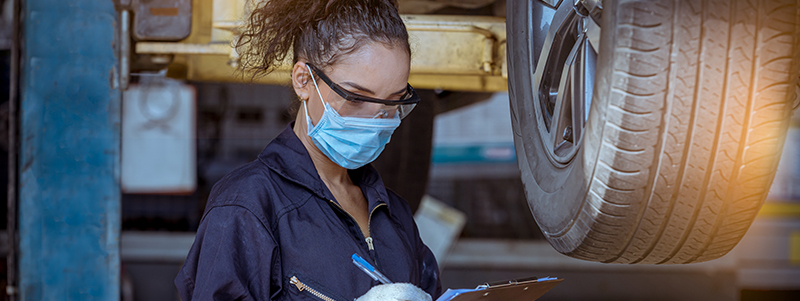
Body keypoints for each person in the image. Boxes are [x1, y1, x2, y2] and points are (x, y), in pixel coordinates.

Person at [174, 0, 442, 300]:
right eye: (355, 98)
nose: (374, 119)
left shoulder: (395, 215)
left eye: (392, 103)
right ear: (304, 81)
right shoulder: (247, 206)